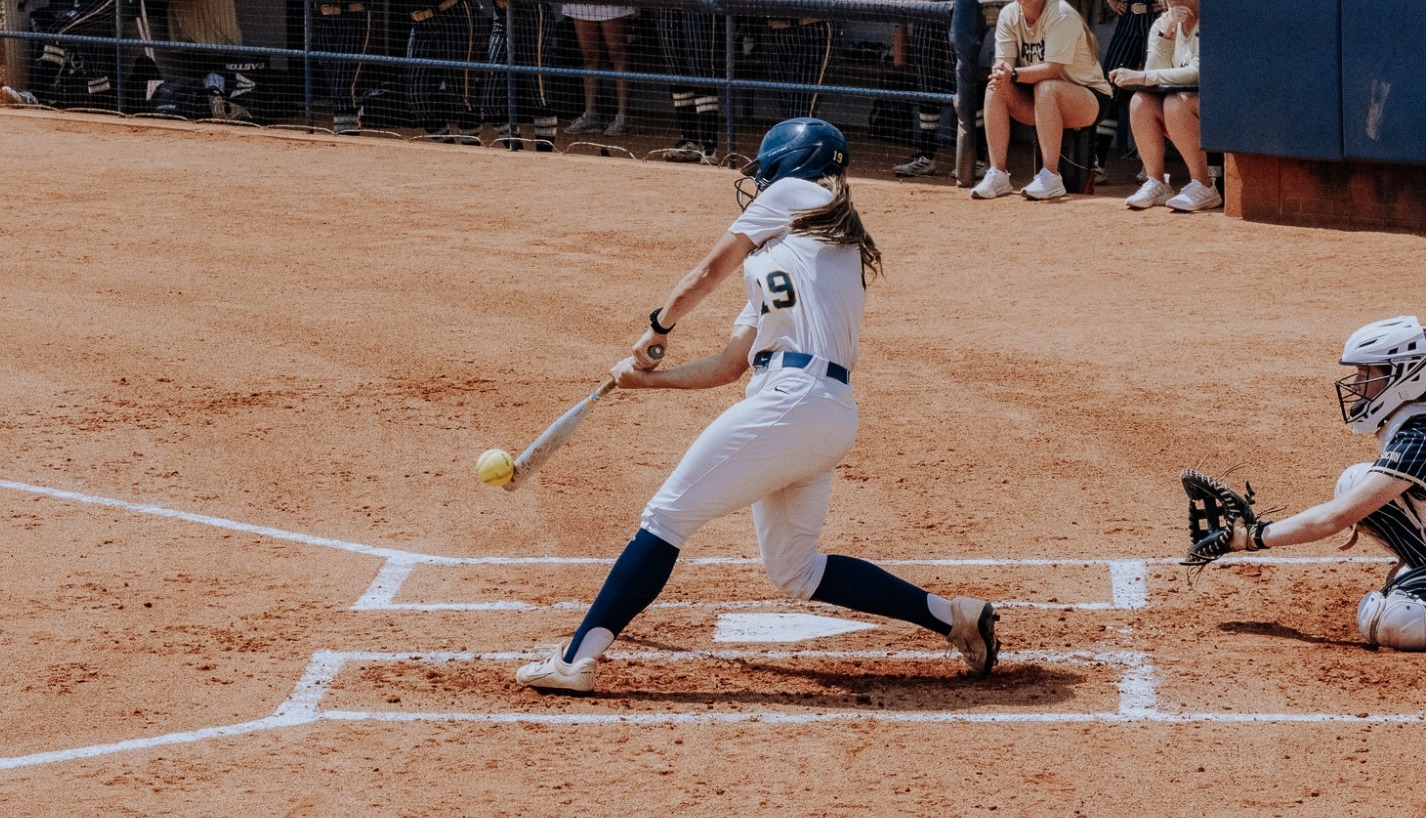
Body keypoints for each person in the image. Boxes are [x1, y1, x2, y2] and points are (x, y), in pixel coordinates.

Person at [514, 117, 1001, 694]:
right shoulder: (794, 260)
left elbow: (706, 269)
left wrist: (659, 327)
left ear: (791, 165)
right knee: (797, 569)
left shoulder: (799, 193)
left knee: (665, 519)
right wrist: (649, 380)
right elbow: (728, 366)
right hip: (819, 412)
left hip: (794, 404)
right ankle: (955, 617)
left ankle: (575, 660)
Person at [1191, 316, 1426, 652]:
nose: (1357, 386)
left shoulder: (1419, 438)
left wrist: (1252, 537)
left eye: (1366, 375)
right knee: (1355, 482)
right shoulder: (1416, 418)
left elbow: (1331, 519)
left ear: (1404, 375)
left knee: (1388, 619)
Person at [970, 0, 1112, 201]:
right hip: (1043, 100)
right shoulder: (1009, 14)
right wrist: (1002, 72)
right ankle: (998, 174)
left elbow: (1053, 70)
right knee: (996, 88)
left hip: (1090, 98)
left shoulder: (1061, 12)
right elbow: (1003, 65)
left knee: (1046, 87)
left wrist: (1012, 74)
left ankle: (1050, 177)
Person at [1109, 0, 1219, 211]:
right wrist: (1166, 34)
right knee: (1142, 101)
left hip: (1222, 110)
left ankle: (1204, 186)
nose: (1172, 1)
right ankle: (1156, 182)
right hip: (1188, 109)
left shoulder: (1213, 20)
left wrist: (1142, 75)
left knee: (1175, 103)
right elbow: (1154, 78)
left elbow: (1197, 73)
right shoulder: (1163, 23)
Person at [400, 0, 483, 144]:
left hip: (454, 16)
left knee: (462, 96)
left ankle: (471, 153)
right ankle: (449, 151)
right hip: (420, 23)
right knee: (418, 99)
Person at [483, 0, 558, 151]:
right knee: (491, 102)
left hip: (533, 11)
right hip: (501, 15)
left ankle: (544, 157)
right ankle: (518, 152)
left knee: (539, 94)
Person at [1094, 0, 1156, 181]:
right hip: (1128, 16)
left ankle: (1151, 164)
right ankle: (1097, 161)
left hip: (1157, 16)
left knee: (1153, 88)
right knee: (1111, 86)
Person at [891, 4, 952, 178]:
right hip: (925, 12)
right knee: (927, 84)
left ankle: (975, 159)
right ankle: (926, 156)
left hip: (958, 11)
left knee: (964, 81)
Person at [654, 8, 719, 162]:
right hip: (668, 7)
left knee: (702, 69)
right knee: (676, 72)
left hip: (699, 8)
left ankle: (709, 148)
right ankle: (689, 141)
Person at [561, 3, 636, 137]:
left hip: (611, 6)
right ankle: (591, 115)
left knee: (617, 53)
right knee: (589, 56)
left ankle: (624, 118)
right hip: (582, 4)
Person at [311, 0, 373, 135]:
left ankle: (346, 135)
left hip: (352, 16)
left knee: (342, 83)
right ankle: (343, 133)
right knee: (333, 82)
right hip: (324, 18)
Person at [762, 15, 836, 121]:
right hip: (774, 29)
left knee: (801, 110)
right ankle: (793, 136)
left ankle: (803, 136)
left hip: (811, 26)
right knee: (787, 110)